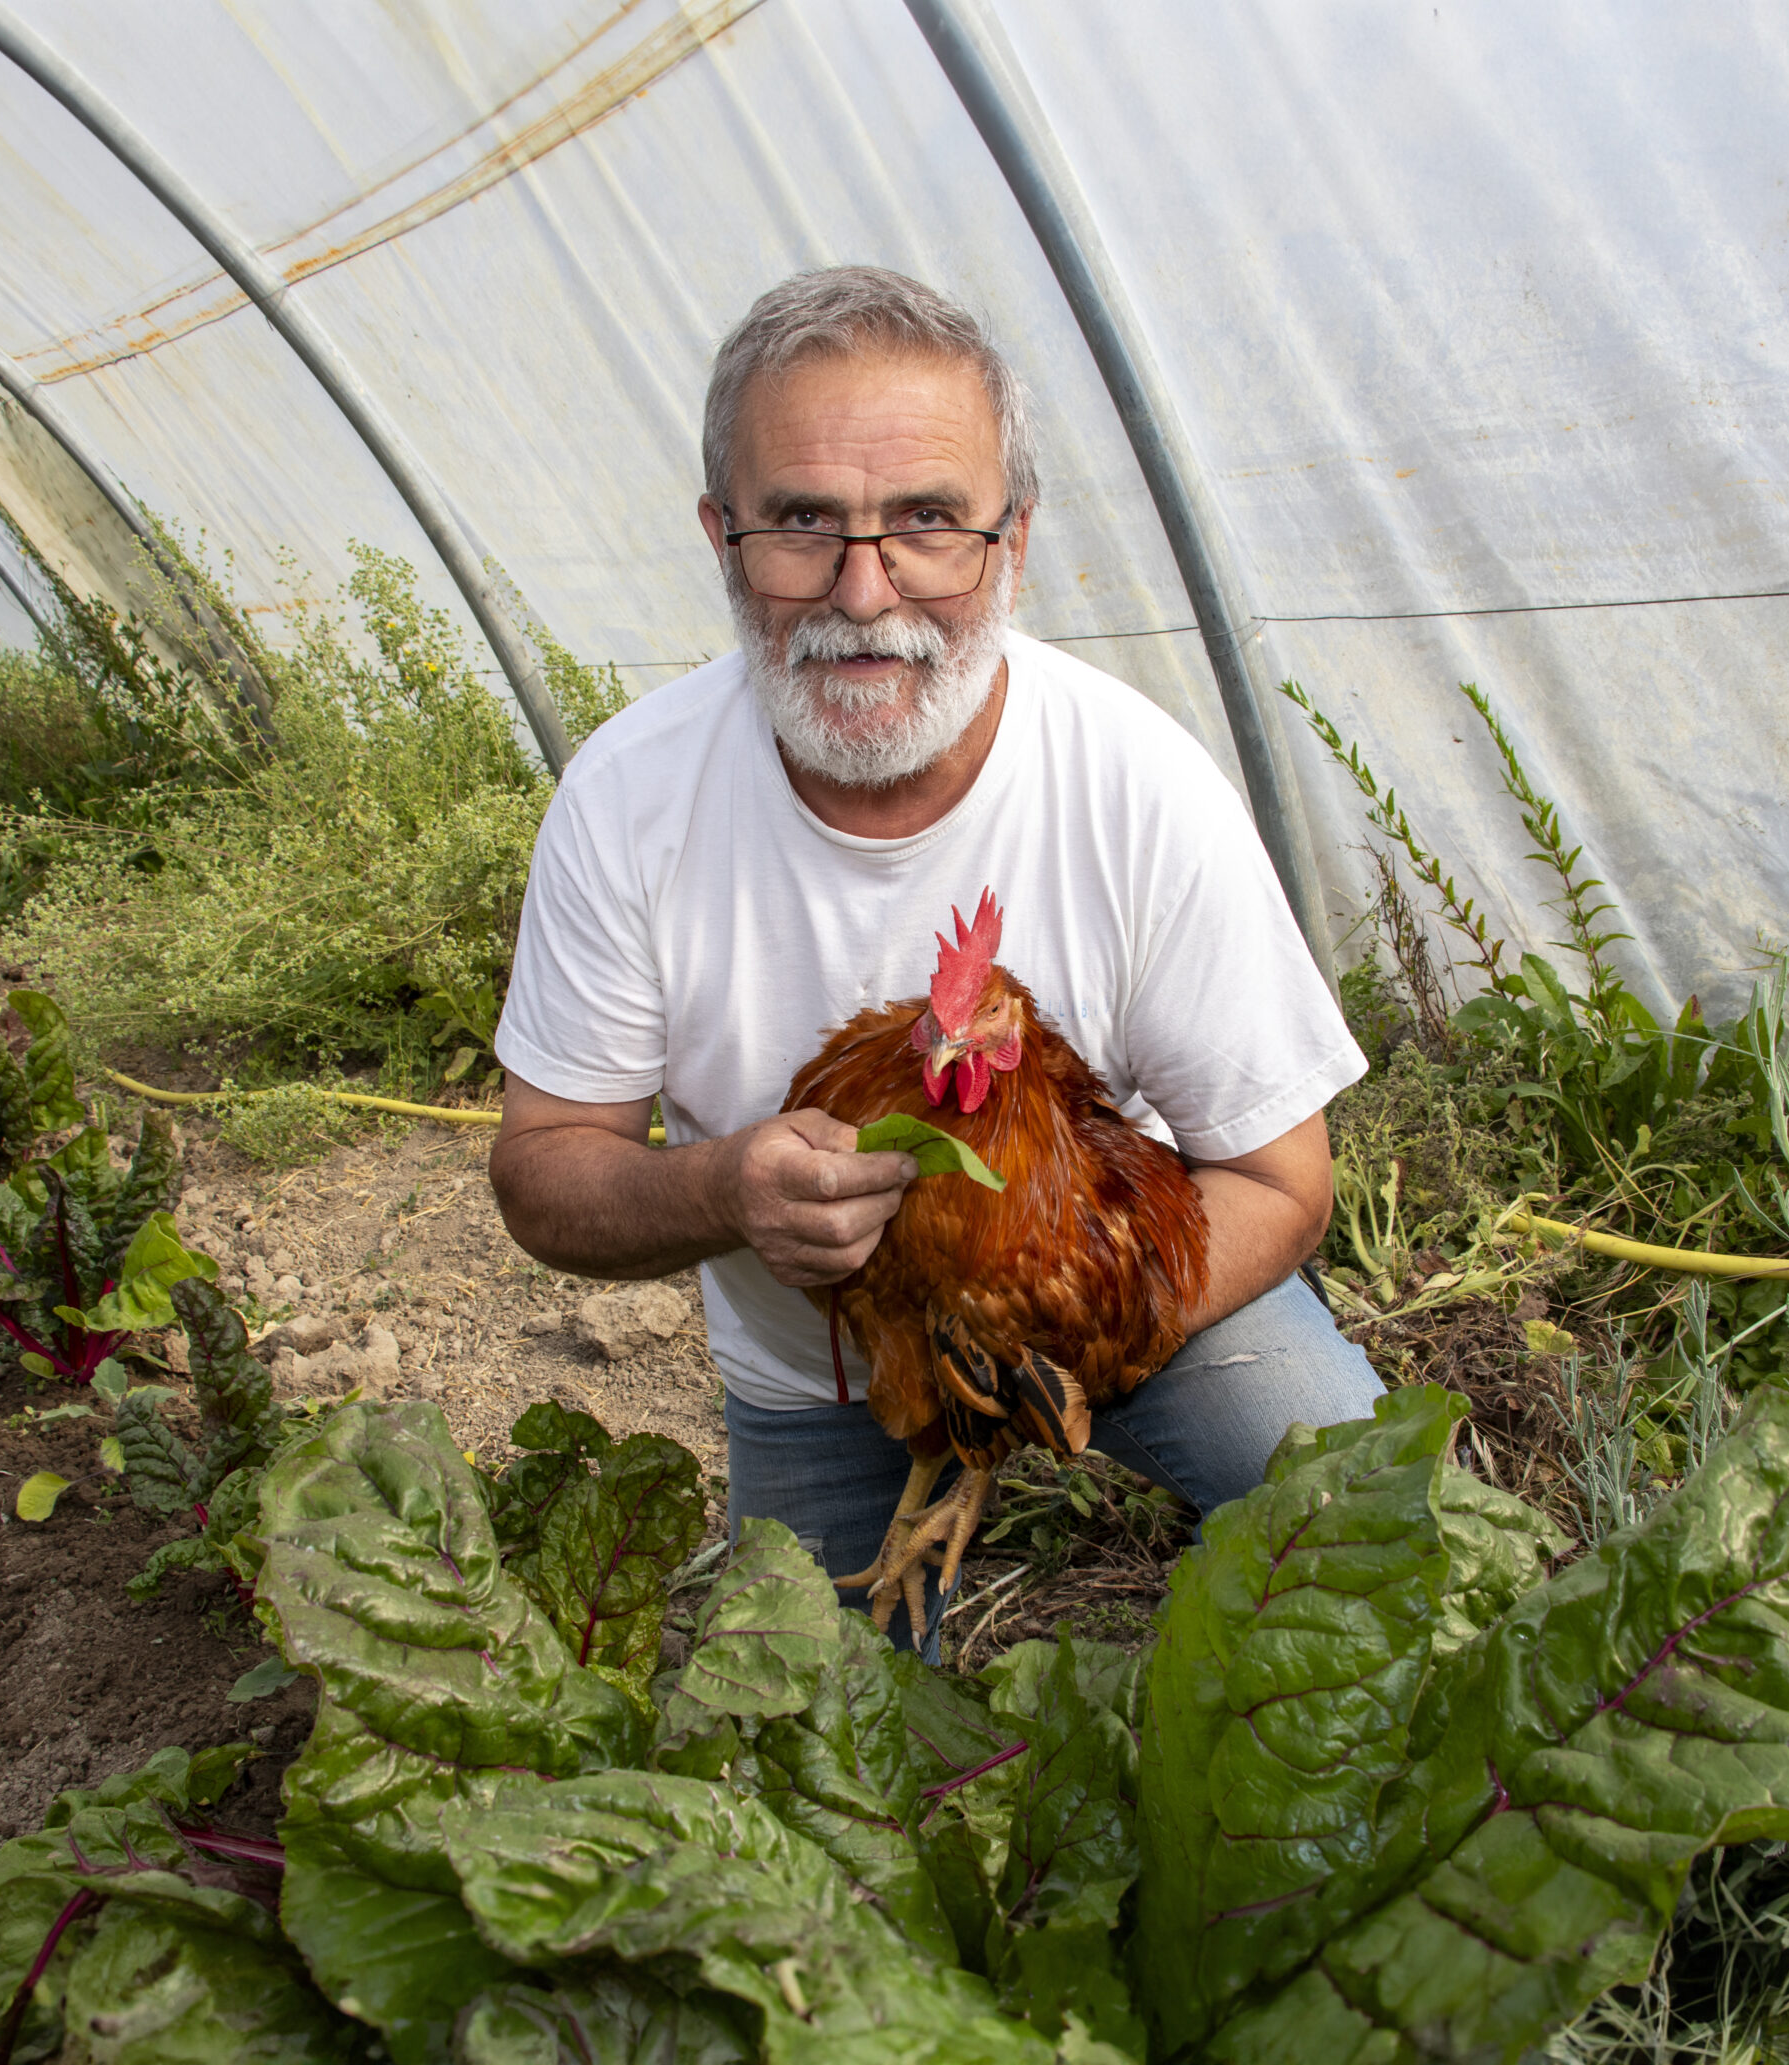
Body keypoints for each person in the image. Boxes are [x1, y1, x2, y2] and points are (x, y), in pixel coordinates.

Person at [489, 265, 1375, 1657]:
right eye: (801, 522)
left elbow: (1282, 1179)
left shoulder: (1140, 786)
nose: (864, 590)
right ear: (723, 538)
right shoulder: (628, 799)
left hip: (1125, 1319)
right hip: (822, 1377)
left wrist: (1060, 1338)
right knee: (820, 1739)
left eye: (925, 521)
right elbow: (544, 1166)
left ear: (1011, 541)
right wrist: (720, 1187)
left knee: (1358, 1511)